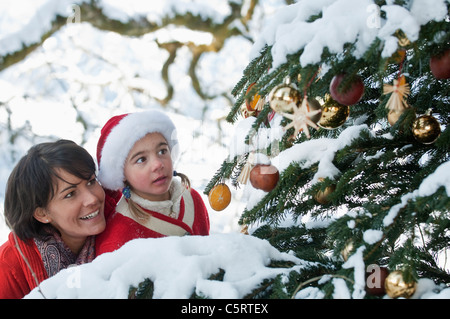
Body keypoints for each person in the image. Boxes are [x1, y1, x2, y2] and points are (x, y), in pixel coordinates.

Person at [0, 140, 112, 299]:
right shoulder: (8, 267)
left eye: (91, 181)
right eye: (70, 194)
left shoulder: (124, 220)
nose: (92, 199)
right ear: (42, 214)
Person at [95, 109, 210, 255]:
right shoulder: (118, 239)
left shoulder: (192, 199)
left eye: (162, 151)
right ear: (122, 173)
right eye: (141, 159)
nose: (158, 164)